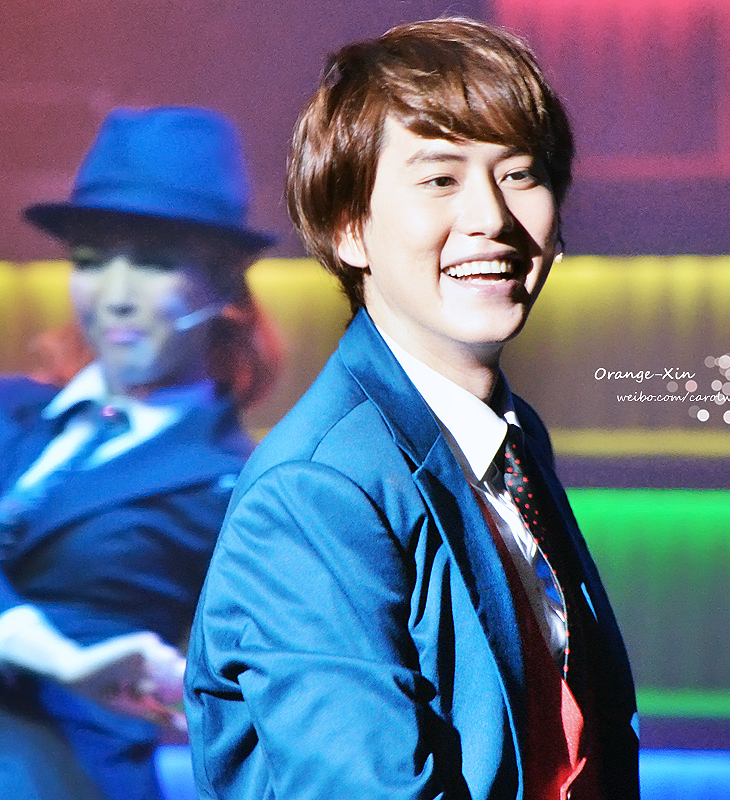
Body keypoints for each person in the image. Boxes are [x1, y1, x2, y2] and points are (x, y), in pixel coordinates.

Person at [186, 18, 639, 800]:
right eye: (440, 179)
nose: (492, 218)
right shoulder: (317, 488)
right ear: (348, 229)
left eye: (520, 174)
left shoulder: (511, 437)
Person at [0, 106, 278, 800]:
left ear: (224, 287)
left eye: (152, 263)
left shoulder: (239, 481)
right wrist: (62, 659)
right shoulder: (6, 413)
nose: (114, 296)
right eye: (89, 262)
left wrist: (198, 688)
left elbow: (263, 658)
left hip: (81, 776)